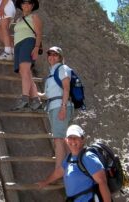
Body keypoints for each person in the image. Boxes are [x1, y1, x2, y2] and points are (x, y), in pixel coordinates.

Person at [38, 125, 112, 202]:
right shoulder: (69, 158)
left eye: (76, 137)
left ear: (83, 140)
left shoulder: (88, 157)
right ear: (66, 140)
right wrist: (45, 182)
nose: (73, 141)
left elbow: (102, 182)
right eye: (70, 137)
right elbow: (58, 172)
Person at [43, 46, 74, 181]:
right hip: (53, 106)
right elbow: (49, 94)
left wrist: (63, 108)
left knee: (59, 139)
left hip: (60, 106)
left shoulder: (62, 69)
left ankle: (58, 170)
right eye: (50, 54)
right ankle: (71, 166)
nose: (52, 57)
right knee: (62, 138)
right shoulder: (51, 73)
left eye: (55, 55)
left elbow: (66, 89)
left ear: (60, 57)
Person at [11, 0, 42, 111]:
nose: (26, 5)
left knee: (24, 71)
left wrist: (36, 47)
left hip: (28, 42)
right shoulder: (18, 20)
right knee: (26, 72)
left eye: (29, 3)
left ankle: (24, 99)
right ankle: (36, 101)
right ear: (21, 5)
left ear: (32, 5)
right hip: (18, 45)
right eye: (24, 2)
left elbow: (39, 34)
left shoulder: (34, 17)